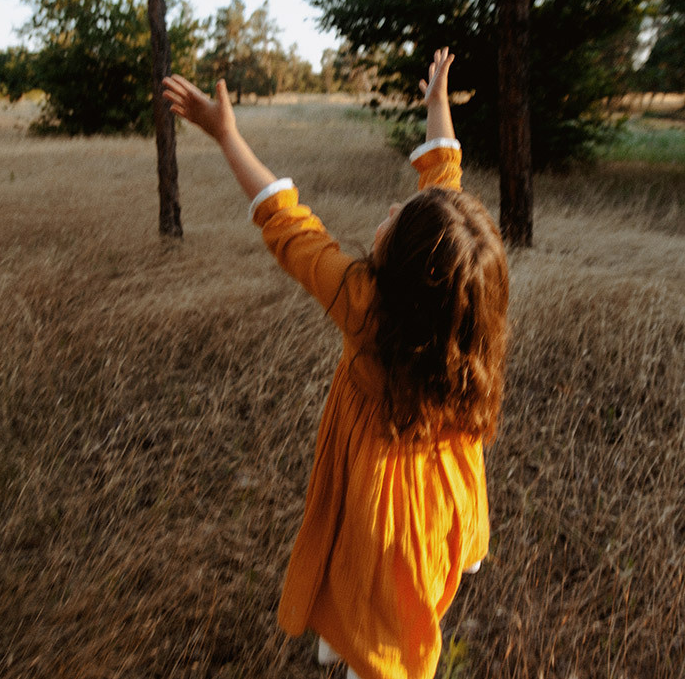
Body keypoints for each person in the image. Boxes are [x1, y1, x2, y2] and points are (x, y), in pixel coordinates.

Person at [162, 48, 508, 679]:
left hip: (383, 515)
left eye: (395, 220)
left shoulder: (365, 304)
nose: (391, 211)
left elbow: (287, 223)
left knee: (375, 633)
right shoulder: (463, 300)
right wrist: (435, 109)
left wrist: (226, 136)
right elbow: (445, 187)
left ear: (398, 265)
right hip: (443, 496)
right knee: (416, 598)